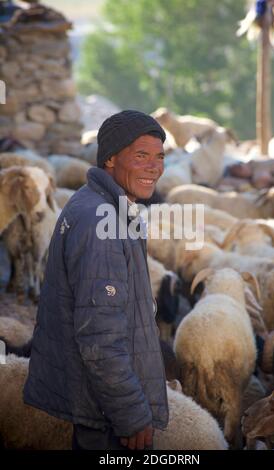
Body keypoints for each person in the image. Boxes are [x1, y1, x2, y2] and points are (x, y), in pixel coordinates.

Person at [23, 110, 169, 450]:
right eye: (141, 156)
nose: (154, 167)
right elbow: (100, 337)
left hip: (101, 403)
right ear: (110, 159)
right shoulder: (101, 224)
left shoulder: (101, 207)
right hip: (107, 413)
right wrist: (131, 414)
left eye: (159, 157)